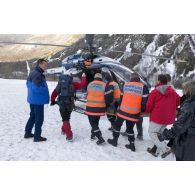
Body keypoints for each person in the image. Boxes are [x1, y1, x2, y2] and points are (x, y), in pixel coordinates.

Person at [107, 73, 149, 152]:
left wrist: (119, 106)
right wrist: (142, 110)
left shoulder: (126, 85)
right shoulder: (143, 87)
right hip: (134, 113)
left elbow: (121, 98)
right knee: (130, 128)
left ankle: (114, 141)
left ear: (131, 78)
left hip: (122, 111)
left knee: (117, 126)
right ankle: (132, 144)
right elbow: (145, 102)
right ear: (138, 79)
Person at [158, 80, 195, 161]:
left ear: (189, 90)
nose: (184, 91)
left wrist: (164, 135)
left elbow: (179, 127)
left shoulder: (190, 104)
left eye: (185, 89)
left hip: (188, 142)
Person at [146, 74, 180, 157]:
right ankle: (156, 152)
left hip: (157, 117)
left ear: (159, 81)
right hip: (168, 118)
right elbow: (178, 101)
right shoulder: (172, 91)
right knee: (159, 134)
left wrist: (147, 111)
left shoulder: (155, 91)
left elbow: (149, 105)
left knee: (152, 133)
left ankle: (165, 149)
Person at [50, 72, 86, 141]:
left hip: (62, 103)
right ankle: (63, 130)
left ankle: (69, 136)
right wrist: (83, 77)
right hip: (70, 103)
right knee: (66, 117)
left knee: (65, 119)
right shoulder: (73, 84)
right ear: (70, 78)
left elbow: (54, 93)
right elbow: (83, 85)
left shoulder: (60, 84)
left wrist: (52, 101)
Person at [24, 59, 49, 142]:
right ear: (40, 64)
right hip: (38, 100)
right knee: (39, 118)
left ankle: (27, 133)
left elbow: (28, 84)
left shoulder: (32, 73)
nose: (46, 66)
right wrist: (45, 90)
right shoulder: (38, 74)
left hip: (32, 99)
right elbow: (35, 87)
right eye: (45, 65)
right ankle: (37, 136)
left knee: (33, 116)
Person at [85, 73, 107, 145]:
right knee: (96, 122)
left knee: (93, 123)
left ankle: (100, 138)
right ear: (101, 78)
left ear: (94, 78)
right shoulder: (104, 85)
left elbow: (87, 94)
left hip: (90, 107)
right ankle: (93, 134)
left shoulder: (90, 84)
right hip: (100, 107)